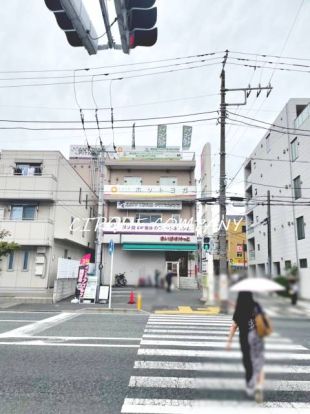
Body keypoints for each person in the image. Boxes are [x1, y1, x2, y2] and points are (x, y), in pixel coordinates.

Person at [226, 291, 265, 403]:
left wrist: (229, 341)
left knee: (248, 363)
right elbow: (263, 320)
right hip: (258, 339)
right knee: (258, 363)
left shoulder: (240, 309)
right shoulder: (256, 305)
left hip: (245, 340)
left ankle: (250, 387)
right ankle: (259, 387)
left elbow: (234, 326)